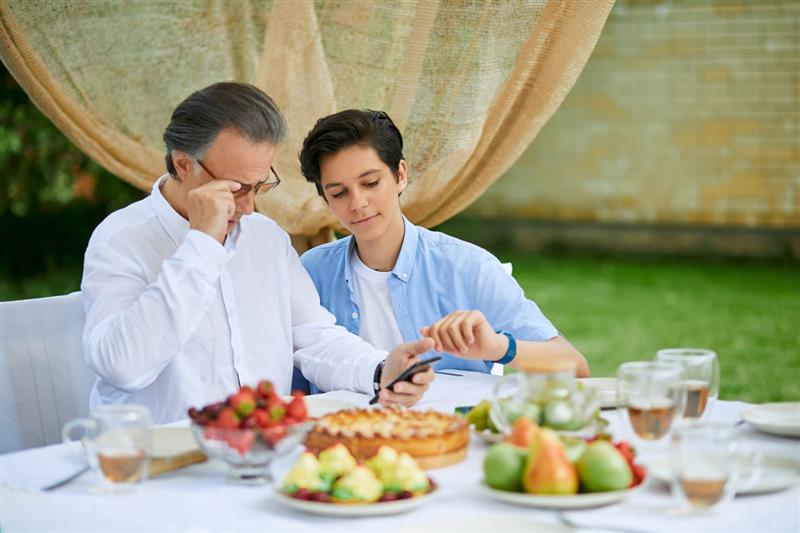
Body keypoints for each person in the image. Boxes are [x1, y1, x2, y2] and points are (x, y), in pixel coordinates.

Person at [81, 84, 434, 424]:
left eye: (259, 186)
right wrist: (201, 246)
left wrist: (381, 369)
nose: (249, 207)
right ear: (184, 164)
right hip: (161, 457)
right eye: (236, 188)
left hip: (266, 449)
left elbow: (314, 337)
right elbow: (122, 367)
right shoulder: (120, 240)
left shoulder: (266, 238)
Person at [298, 110, 589, 380]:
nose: (357, 203)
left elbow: (575, 368)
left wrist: (499, 347)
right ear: (325, 199)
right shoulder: (310, 273)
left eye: (371, 183)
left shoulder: (468, 268)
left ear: (400, 175)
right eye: (339, 193)